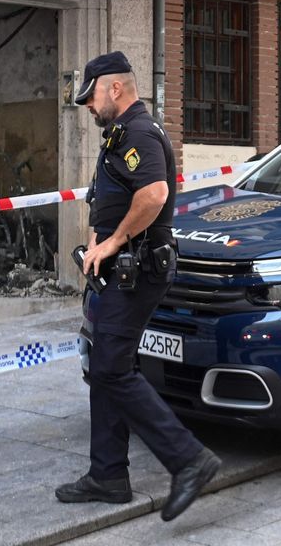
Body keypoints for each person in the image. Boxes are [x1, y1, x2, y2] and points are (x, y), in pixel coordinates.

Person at [54, 50, 220, 522]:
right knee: (105, 363)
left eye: (91, 97)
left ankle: (189, 459)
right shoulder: (121, 134)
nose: (88, 106)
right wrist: (97, 242)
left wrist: (114, 242)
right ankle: (108, 475)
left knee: (112, 368)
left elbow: (154, 195)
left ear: (115, 88)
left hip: (137, 271)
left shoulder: (140, 133)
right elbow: (114, 197)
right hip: (118, 271)